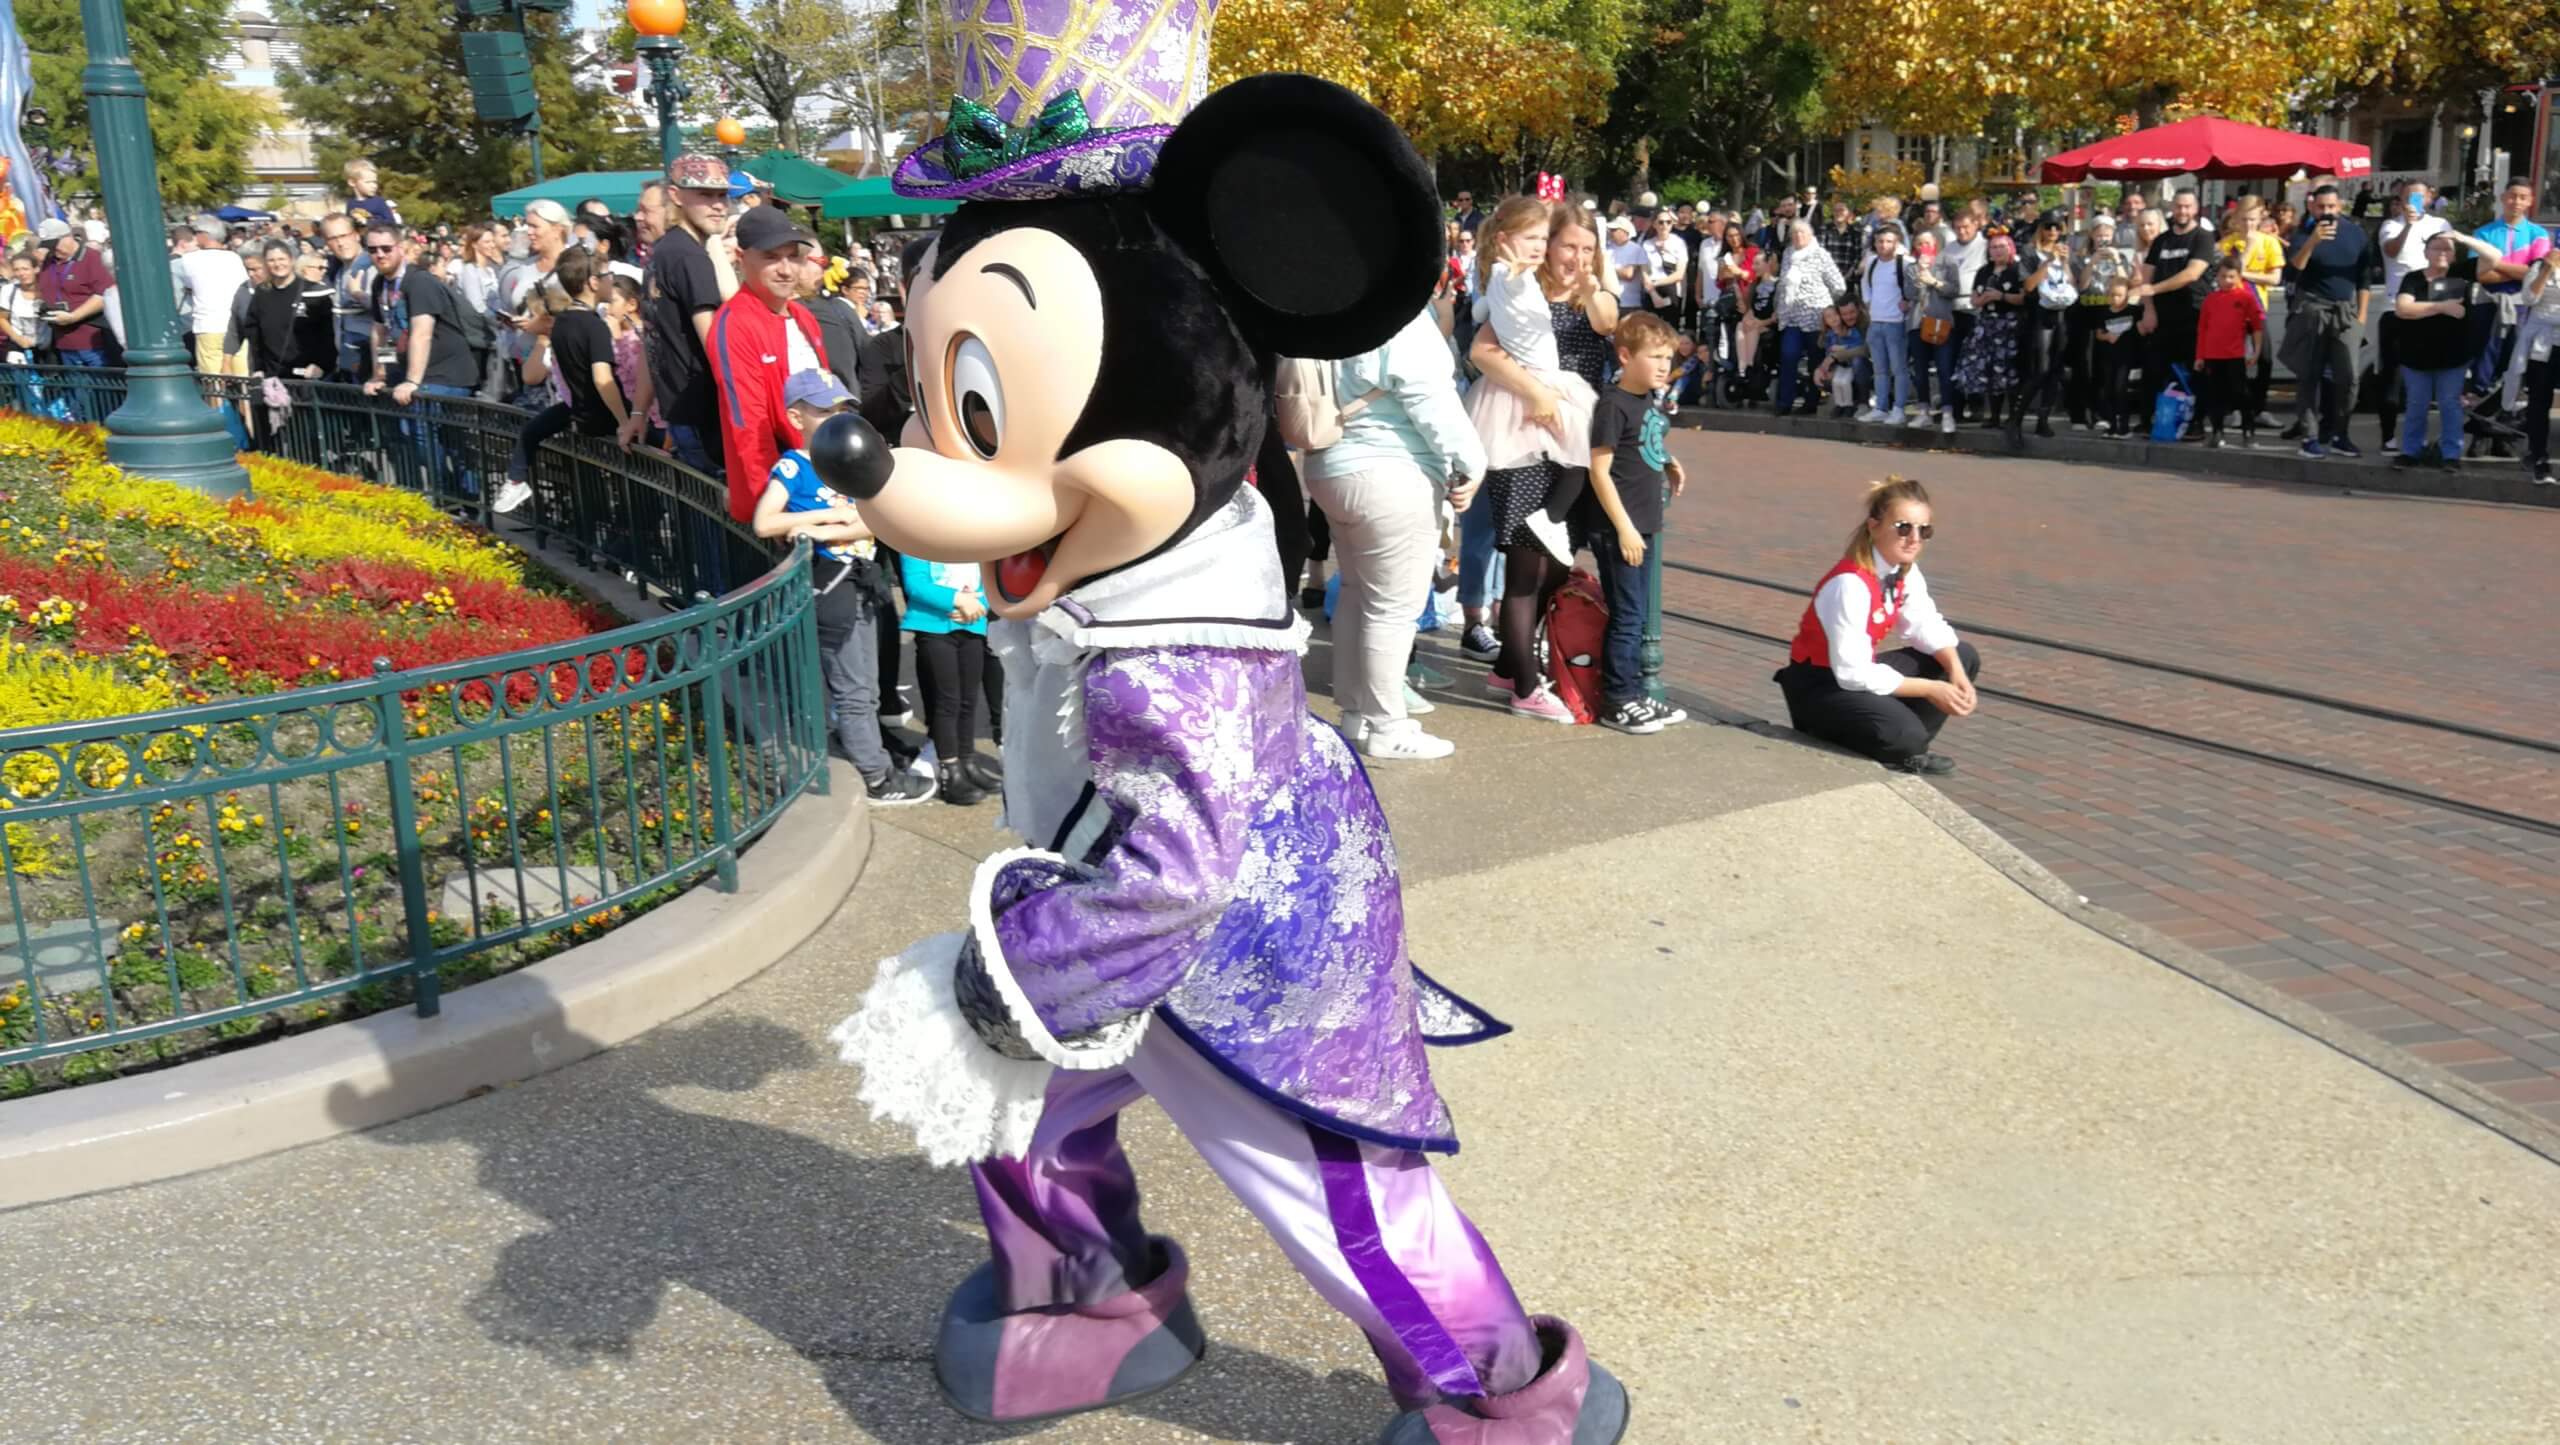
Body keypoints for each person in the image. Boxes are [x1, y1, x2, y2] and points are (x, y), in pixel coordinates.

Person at [1303, 295, 1487, 760]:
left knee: (1355, 595)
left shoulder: (1330, 309)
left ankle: (1355, 712)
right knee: (1391, 609)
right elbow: (1433, 402)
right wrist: (1471, 462)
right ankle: (1388, 726)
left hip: (1332, 464)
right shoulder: (1400, 318)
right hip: (1393, 472)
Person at [754, 369, 935, 804]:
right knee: (853, 688)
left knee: (868, 684)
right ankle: (877, 777)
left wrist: (829, 527)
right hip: (833, 585)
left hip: (864, 579)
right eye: (824, 410)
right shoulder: (795, 465)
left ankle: (871, 748)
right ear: (796, 418)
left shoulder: (853, 462)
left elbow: (873, 519)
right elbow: (765, 521)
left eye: (842, 408)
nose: (837, 417)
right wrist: (824, 519)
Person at [1466, 199, 1615, 723]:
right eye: (1568, 246)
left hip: (1574, 438)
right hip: (1523, 433)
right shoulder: (1522, 289)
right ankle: (1525, 687)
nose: (1577, 257)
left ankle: (1509, 665)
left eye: (1587, 248)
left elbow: (1608, 322)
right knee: (1526, 565)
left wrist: (1592, 283)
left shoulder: (1592, 293)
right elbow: (1481, 351)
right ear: (1548, 246)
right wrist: (1536, 393)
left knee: (1557, 562)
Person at [1774, 476, 1980, 776]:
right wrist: (1932, 689)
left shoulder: (1904, 571)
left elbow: (1925, 624)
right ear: (1874, 526)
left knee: (1961, 654)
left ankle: (1908, 747)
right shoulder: (1849, 584)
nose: (1914, 539)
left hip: (1852, 674)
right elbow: (1852, 673)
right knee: (1904, 733)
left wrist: (1956, 672)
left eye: (1924, 530)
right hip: (1820, 686)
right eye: (1903, 528)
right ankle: (1895, 741)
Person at [1582, 310, 1688, 736]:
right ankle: (1619, 698)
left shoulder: (1646, 400)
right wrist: (1624, 528)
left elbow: (1644, 442)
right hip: (1619, 528)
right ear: (1625, 357)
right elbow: (1600, 470)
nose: (1664, 366)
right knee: (1627, 616)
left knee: (1638, 613)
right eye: (1655, 357)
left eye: (1668, 358)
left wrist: (1668, 460)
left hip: (1643, 522)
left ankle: (1635, 692)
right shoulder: (1613, 404)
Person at [707, 204, 831, 522]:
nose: (786, 269)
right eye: (771, 257)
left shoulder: (803, 316)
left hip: (824, 479)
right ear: (741, 257)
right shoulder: (734, 323)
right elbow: (748, 424)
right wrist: (772, 505)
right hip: (785, 497)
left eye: (793, 256)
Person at [637, 154, 734, 480]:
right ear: (676, 196)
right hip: (705, 417)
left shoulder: (663, 251)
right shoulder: (689, 257)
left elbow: (650, 340)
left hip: (682, 413)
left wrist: (638, 412)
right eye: (705, 194)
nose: (718, 204)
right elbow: (717, 346)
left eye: (722, 195)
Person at [899, 541, 992, 808]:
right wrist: (958, 600)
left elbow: (989, 581)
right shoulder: (918, 541)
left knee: (968, 700)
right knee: (947, 701)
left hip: (972, 625)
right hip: (935, 628)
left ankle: (967, 759)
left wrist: (979, 604)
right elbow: (916, 584)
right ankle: (949, 769)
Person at [2282, 184, 2372, 459]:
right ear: (2312, 207)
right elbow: (2293, 272)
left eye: (2331, 206)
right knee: (2309, 375)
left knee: (2349, 377)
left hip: (2345, 312)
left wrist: (2361, 316)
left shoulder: (2356, 233)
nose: (2326, 212)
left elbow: (2364, 277)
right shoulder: (2303, 233)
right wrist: (2313, 241)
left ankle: (2340, 434)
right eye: (2321, 207)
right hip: (2313, 309)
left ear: (2340, 206)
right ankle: (2309, 437)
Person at [2391, 233, 2474, 473]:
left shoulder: (2461, 276)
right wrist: (2442, 307)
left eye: (2447, 249)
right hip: (2416, 356)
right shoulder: (2413, 279)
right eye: (2436, 248)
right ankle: (2411, 451)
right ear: (2426, 252)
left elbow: (2493, 257)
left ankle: (2451, 455)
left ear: (2454, 254)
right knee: (2416, 405)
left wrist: (2461, 237)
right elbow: (2403, 309)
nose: (2441, 253)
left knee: (2450, 405)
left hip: (2453, 357)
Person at [2134, 189, 2214, 435]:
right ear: (2172, 208)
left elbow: (2192, 274)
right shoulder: (2161, 240)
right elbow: (2146, 276)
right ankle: (2148, 419)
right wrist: (2148, 308)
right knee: (2153, 369)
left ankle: (2196, 423)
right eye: (2179, 206)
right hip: (2162, 316)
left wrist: (2154, 289)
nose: (2182, 211)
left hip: (2193, 314)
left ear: (2196, 209)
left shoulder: (2203, 238)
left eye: (2187, 206)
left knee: (2196, 370)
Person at [2216, 197, 2284, 431]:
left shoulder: (2270, 242)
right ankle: (2235, 408)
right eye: (2244, 220)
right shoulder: (2226, 244)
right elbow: (2228, 278)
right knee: (2234, 361)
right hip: (2231, 309)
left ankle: (2260, 408)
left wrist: (2246, 275)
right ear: (2236, 219)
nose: (2249, 225)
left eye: (2253, 220)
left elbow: (2275, 278)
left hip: (2257, 307)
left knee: (2265, 358)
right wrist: (2248, 251)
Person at [1952, 227, 2024, 430]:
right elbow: (1974, 299)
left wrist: (2001, 296)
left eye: (2002, 247)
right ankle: (1994, 416)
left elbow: (2024, 298)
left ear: (2010, 248)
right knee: (1990, 370)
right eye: (1993, 247)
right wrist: (1983, 299)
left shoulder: (2017, 270)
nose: (1998, 251)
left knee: (2009, 370)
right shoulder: (1984, 271)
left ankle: (2014, 416)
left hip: (2010, 324)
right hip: (1987, 324)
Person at [1772, 220, 1846, 417]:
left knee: (1815, 360)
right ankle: (1784, 402)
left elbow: (1838, 285)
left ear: (1810, 235)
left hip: (1815, 317)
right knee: (1788, 355)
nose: (1798, 236)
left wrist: (1829, 308)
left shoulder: (1820, 254)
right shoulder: (1788, 254)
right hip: (1791, 317)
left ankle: (1811, 401)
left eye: (1802, 233)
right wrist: (1778, 308)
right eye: (1795, 233)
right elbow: (1782, 285)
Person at [1924, 209, 1988, 434]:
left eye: (1966, 227)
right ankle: (1955, 407)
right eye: (1958, 228)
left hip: (1975, 309)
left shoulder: (1984, 246)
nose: (1962, 231)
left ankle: (1977, 405)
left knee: (1975, 360)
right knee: (1950, 361)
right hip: (1951, 310)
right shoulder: (1948, 249)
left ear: (1975, 225)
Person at [2010, 213, 2071, 441]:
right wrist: (2047, 262)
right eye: (2049, 226)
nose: (2053, 231)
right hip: (2038, 314)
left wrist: (2065, 262)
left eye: (2058, 227)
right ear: (2041, 229)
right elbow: (2028, 285)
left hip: (2060, 314)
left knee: (2055, 370)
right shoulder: (2029, 252)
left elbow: (2072, 284)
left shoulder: (2064, 250)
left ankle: (2043, 420)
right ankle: (2015, 420)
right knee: (2040, 370)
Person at [2193, 256, 2265, 449]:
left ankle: (2248, 432)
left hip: (2236, 355)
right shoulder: (2210, 300)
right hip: (2212, 355)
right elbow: (2203, 328)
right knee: (2215, 395)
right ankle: (2217, 432)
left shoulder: (2246, 298)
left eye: (2231, 276)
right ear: (2217, 276)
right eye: (2223, 276)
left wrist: (2256, 351)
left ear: (2239, 276)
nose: (2227, 280)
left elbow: (2257, 326)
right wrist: (2199, 355)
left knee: (2241, 394)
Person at [1857, 225, 1919, 424]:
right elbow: (1865, 284)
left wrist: (1909, 304)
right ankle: (1881, 407)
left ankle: (1899, 409)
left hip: (1896, 322)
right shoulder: (1872, 262)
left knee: (1899, 369)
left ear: (1897, 242)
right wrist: (1868, 303)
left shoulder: (1906, 263)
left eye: (1889, 241)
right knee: (1880, 370)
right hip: (1875, 322)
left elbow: (1917, 289)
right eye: (1880, 241)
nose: (1884, 245)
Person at [34, 217, 115, 369]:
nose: (53, 250)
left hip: (93, 342)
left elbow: (104, 294)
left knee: (100, 382)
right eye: (48, 246)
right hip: (62, 343)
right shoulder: (48, 262)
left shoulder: (92, 258)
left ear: (68, 237)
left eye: (54, 244)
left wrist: (73, 316)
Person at [2518, 252, 2558, 486]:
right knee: (2539, 402)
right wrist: (2546, 270)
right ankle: (2538, 456)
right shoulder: (2540, 266)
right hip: (2544, 344)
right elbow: (2529, 298)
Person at [2090, 273, 2143, 436]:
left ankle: (2124, 425)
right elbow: (2098, 334)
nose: (2116, 299)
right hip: (2108, 356)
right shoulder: (2104, 312)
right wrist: (2108, 336)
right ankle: (2112, 425)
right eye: (2112, 295)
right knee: (2108, 390)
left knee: (2121, 389)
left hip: (2125, 357)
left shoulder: (2134, 311)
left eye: (2119, 295)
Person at [1815, 300, 1867, 415]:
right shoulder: (1828, 335)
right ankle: (1840, 404)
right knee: (1836, 381)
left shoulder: (1851, 331)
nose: (1833, 319)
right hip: (1838, 365)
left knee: (1844, 381)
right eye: (1828, 317)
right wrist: (1825, 367)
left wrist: (1843, 348)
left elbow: (1859, 345)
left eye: (1835, 315)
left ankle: (1848, 405)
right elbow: (1827, 351)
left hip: (1851, 364)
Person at [1639, 208, 1686, 320]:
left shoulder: (1679, 243)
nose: (1664, 225)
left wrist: (1656, 283)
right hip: (1651, 289)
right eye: (1661, 222)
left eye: (1668, 222)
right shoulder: (1647, 244)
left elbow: (1679, 274)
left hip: (1670, 287)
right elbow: (1644, 271)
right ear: (1654, 224)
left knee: (1670, 326)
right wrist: (1653, 292)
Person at [343, 159, 401, 232]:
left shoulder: (378, 202)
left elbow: (390, 222)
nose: (374, 186)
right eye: (368, 182)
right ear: (352, 182)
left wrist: (368, 222)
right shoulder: (351, 203)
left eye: (374, 182)